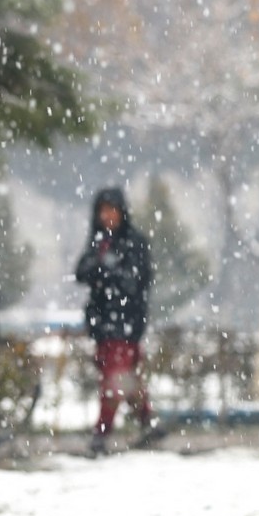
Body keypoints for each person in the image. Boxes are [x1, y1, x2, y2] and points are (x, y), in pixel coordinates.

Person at [74, 187, 163, 457]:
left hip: (125, 323)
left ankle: (101, 433)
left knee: (115, 379)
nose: (108, 216)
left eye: (112, 210)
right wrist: (103, 268)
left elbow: (135, 281)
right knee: (124, 378)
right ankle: (148, 422)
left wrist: (107, 271)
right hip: (103, 324)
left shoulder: (133, 242)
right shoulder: (98, 242)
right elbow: (82, 272)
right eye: (103, 210)